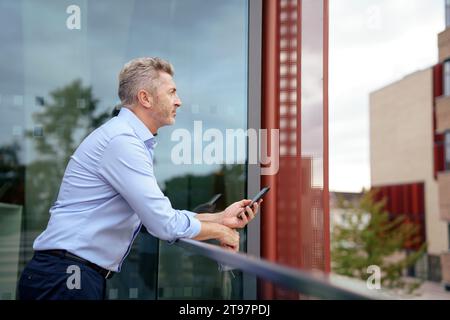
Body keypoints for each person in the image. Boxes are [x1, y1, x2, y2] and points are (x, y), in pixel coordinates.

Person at [17, 57, 261, 300]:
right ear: (145, 98)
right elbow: (162, 223)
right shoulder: (122, 142)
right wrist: (219, 231)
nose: (179, 101)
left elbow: (158, 214)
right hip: (67, 279)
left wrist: (221, 217)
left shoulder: (126, 139)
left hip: (70, 276)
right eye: (172, 92)